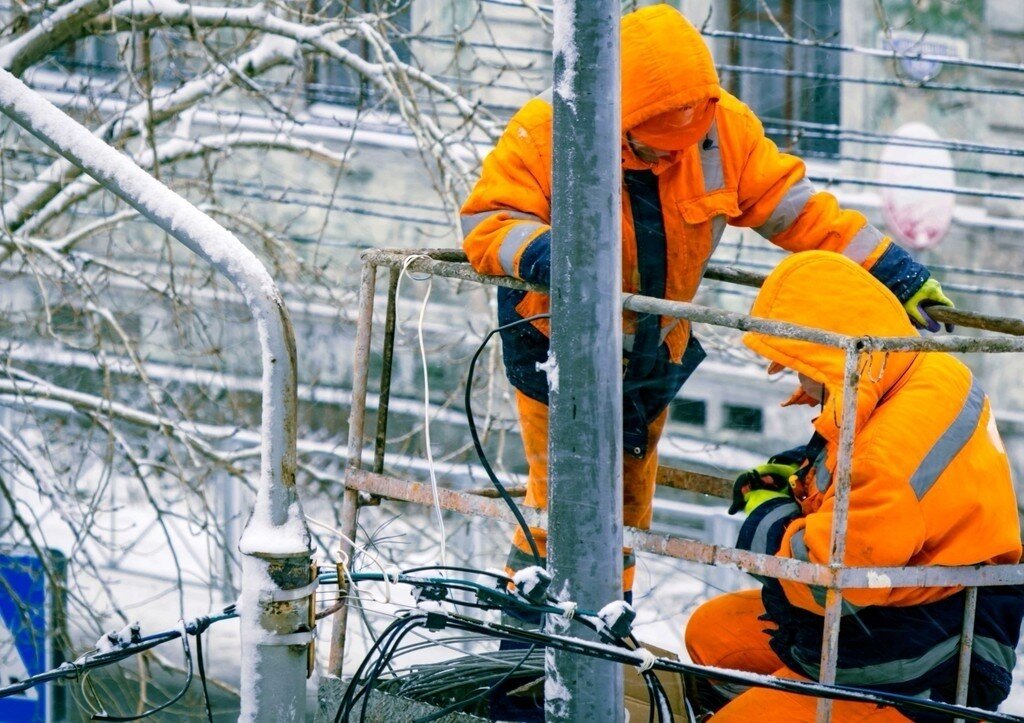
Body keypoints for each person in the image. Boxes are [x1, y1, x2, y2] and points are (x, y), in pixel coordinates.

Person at [460, 3, 954, 593]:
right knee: (566, 500)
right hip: (554, 341)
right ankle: (530, 645)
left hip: (652, 350)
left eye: (681, 148)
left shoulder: (723, 131)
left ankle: (604, 628)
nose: (670, 161)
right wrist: (549, 255)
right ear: (614, 118)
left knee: (627, 500)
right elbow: (488, 222)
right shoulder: (547, 129)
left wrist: (892, 271)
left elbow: (795, 210)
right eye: (651, 151)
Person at [684, 250, 1023, 722]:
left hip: (927, 656)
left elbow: (822, 584)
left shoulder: (884, 456)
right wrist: (805, 481)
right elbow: (860, 474)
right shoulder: (922, 370)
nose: (801, 379)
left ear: (832, 351)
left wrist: (767, 510)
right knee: (713, 633)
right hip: (922, 609)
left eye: (803, 364)